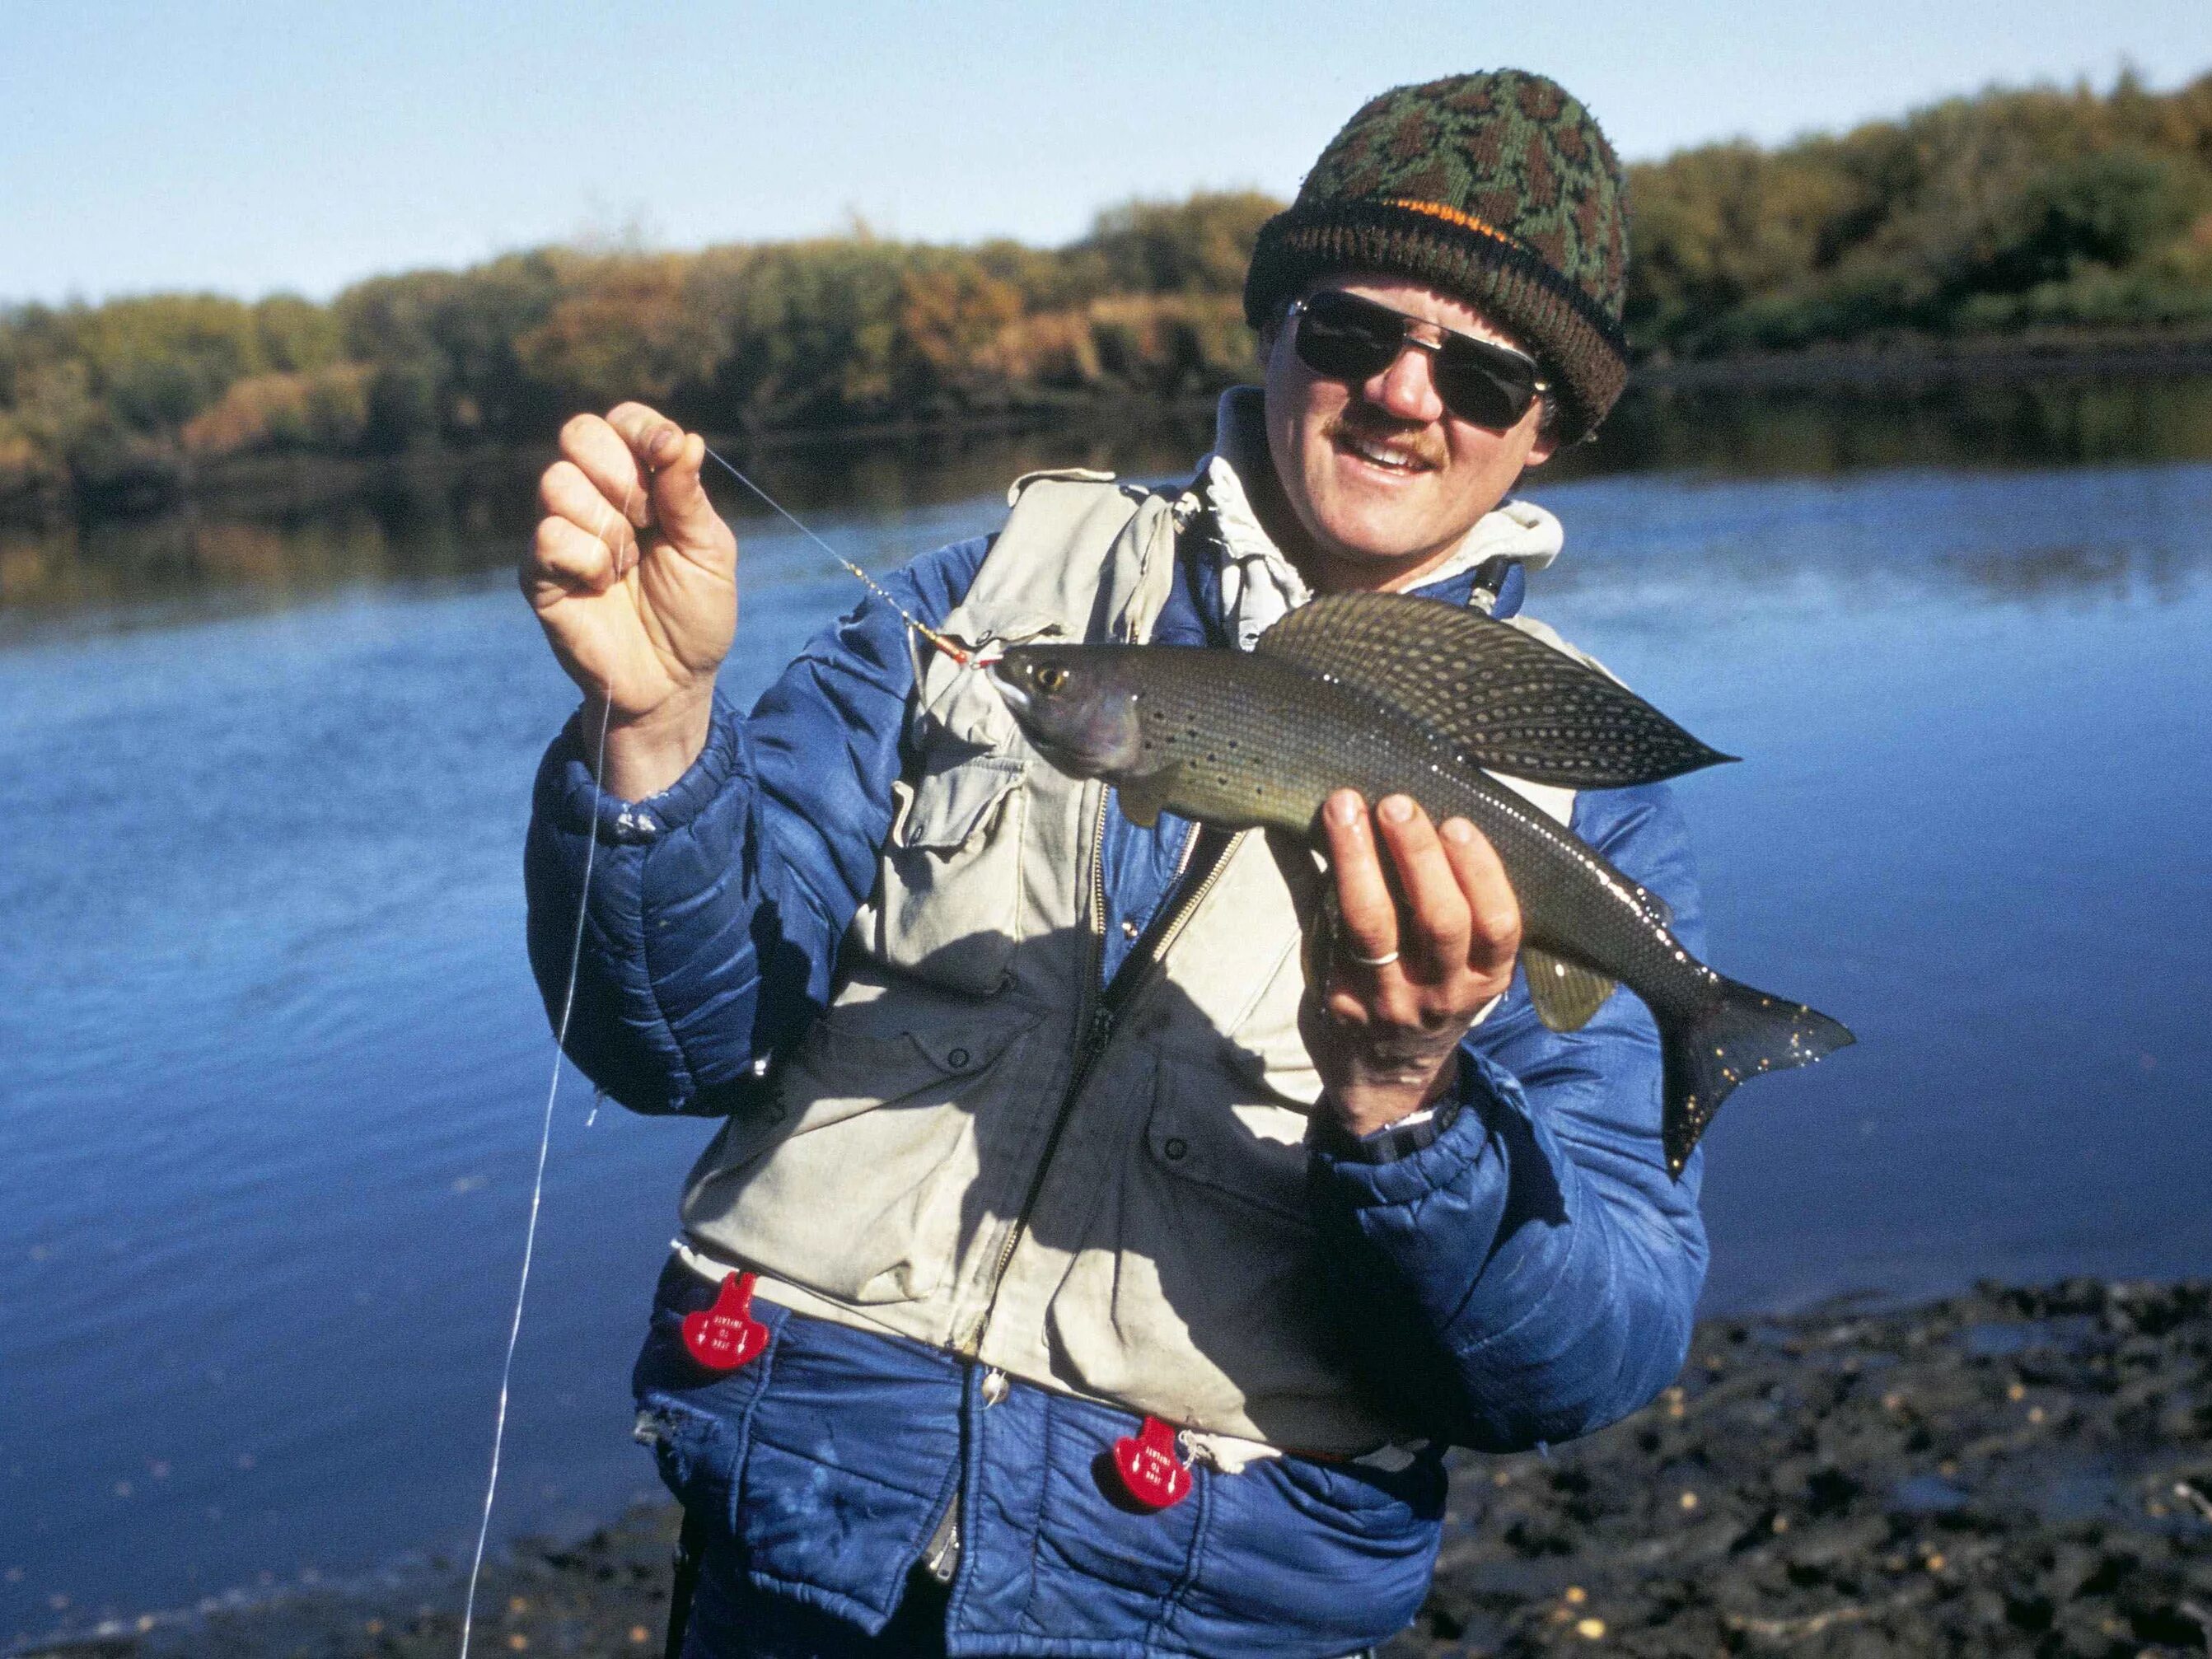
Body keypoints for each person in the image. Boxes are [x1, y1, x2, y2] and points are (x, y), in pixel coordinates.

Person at [523, 69, 1708, 1659]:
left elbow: (1583, 1355)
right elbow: (668, 1038)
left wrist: (1407, 1112)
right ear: (1276, 327)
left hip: (1196, 1607)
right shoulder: (985, 599)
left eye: (1483, 375)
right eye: (1356, 332)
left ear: (1546, 429)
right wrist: (655, 733)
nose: (1405, 396)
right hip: (793, 1557)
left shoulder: (1587, 796)